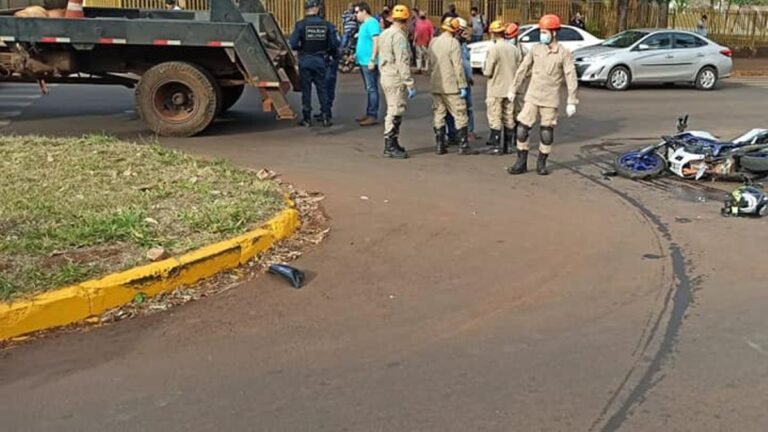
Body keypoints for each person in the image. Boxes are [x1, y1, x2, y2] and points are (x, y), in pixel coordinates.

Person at [506, 14, 578, 175]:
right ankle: (521, 162)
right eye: (541, 31)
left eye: (545, 32)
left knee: (546, 133)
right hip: (532, 96)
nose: (542, 35)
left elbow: (570, 75)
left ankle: (541, 163)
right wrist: (513, 88)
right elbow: (523, 69)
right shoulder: (536, 49)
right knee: (522, 129)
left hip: (550, 99)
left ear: (554, 33)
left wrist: (571, 100)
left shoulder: (563, 53)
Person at [289, 0, 339, 127]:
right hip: (321, 60)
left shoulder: (300, 25)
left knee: (306, 90)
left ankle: (306, 118)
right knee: (322, 89)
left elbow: (293, 43)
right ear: (316, 8)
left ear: (306, 9)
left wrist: (301, 49)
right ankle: (326, 116)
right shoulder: (327, 25)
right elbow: (334, 44)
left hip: (305, 60)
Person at [378, 4, 416, 159]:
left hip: (386, 74)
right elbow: (402, 61)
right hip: (395, 76)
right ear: (406, 20)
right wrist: (409, 82)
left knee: (393, 109)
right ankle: (390, 145)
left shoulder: (385, 33)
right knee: (395, 110)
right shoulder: (399, 36)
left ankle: (393, 142)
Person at [429, 17, 470, 155]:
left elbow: (430, 63)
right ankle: (463, 146)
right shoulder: (454, 43)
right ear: (455, 29)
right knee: (460, 114)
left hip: (436, 84)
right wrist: (462, 85)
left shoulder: (433, 42)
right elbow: (457, 66)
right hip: (451, 86)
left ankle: (440, 145)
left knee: (439, 114)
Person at [483, 21, 523, 155]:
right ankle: (508, 146)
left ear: (493, 33)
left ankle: (496, 146)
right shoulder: (514, 49)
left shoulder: (493, 49)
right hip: (510, 89)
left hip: (495, 88)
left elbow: (488, 71)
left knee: (495, 117)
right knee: (509, 117)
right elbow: (520, 68)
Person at [445, 18, 477, 144]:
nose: (464, 33)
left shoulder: (463, 44)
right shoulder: (454, 44)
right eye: (462, 31)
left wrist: (469, 78)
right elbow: (459, 65)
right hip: (456, 81)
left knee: (467, 108)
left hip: (464, 80)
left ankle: (468, 131)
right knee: (454, 109)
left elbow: (466, 64)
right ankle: (455, 134)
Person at [354, 2, 382, 126]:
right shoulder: (364, 24)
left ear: (364, 11)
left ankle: (372, 114)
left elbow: (376, 41)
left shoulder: (372, 23)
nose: (356, 15)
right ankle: (369, 112)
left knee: (371, 88)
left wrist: (372, 59)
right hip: (363, 60)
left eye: (357, 12)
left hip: (369, 61)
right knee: (369, 88)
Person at [412, 8, 433, 74]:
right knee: (418, 55)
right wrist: (414, 40)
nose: (421, 15)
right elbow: (416, 31)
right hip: (418, 41)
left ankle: (426, 69)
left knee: (426, 55)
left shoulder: (429, 22)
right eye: (420, 14)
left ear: (425, 14)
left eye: (423, 14)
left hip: (426, 42)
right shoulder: (418, 22)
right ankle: (419, 68)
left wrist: (431, 41)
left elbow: (431, 32)